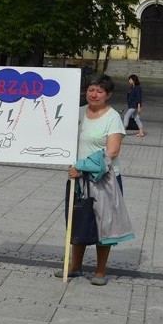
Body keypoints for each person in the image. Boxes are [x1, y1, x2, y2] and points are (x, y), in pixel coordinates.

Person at [57, 75, 126, 286]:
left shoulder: (112, 117)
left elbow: (112, 151)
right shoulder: (77, 113)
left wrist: (82, 166)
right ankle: (75, 267)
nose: (93, 94)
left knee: (103, 225)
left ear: (108, 95)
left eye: (99, 91)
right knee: (77, 221)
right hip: (78, 178)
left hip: (104, 180)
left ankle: (99, 271)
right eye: (90, 90)